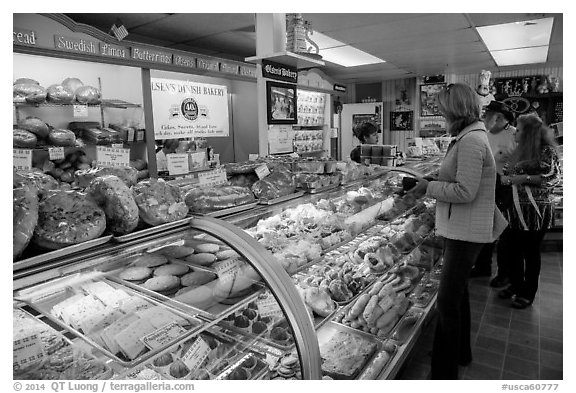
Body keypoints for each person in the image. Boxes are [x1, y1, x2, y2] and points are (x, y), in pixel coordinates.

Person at [409, 83, 507, 379]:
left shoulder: (471, 141)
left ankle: (444, 373)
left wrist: (429, 187)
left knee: (447, 302)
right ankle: (460, 352)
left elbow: (465, 191)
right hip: (463, 228)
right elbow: (459, 176)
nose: (440, 115)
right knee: (458, 294)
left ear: (455, 110)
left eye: (442, 110)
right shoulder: (469, 136)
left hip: (466, 232)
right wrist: (434, 177)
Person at [497, 113, 561, 309]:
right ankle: (516, 286)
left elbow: (552, 178)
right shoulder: (518, 151)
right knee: (512, 250)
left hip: (536, 212)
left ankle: (528, 292)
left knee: (530, 252)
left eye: (519, 129)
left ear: (530, 133)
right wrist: (505, 176)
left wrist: (523, 178)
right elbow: (507, 174)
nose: (515, 132)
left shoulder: (547, 151)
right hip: (514, 211)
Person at [471, 101, 517, 288]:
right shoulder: (485, 134)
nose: (484, 116)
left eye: (487, 113)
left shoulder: (515, 135)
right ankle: (483, 266)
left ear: (498, 116)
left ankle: (505, 273)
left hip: (507, 187)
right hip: (486, 185)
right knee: (485, 226)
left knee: (505, 232)